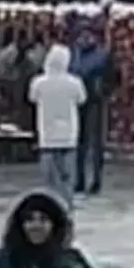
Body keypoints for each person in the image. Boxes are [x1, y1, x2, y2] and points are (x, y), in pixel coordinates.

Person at [28, 42, 87, 207]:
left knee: (48, 177)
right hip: (69, 135)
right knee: (67, 175)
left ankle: (50, 203)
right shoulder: (74, 83)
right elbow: (82, 99)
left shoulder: (38, 83)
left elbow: (32, 98)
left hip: (47, 135)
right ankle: (66, 202)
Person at [69, 25, 115, 195]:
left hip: (95, 100)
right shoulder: (74, 54)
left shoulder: (102, 55)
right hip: (78, 101)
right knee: (80, 141)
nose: (85, 38)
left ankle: (96, 179)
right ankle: (79, 179)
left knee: (96, 142)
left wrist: (104, 90)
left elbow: (113, 77)